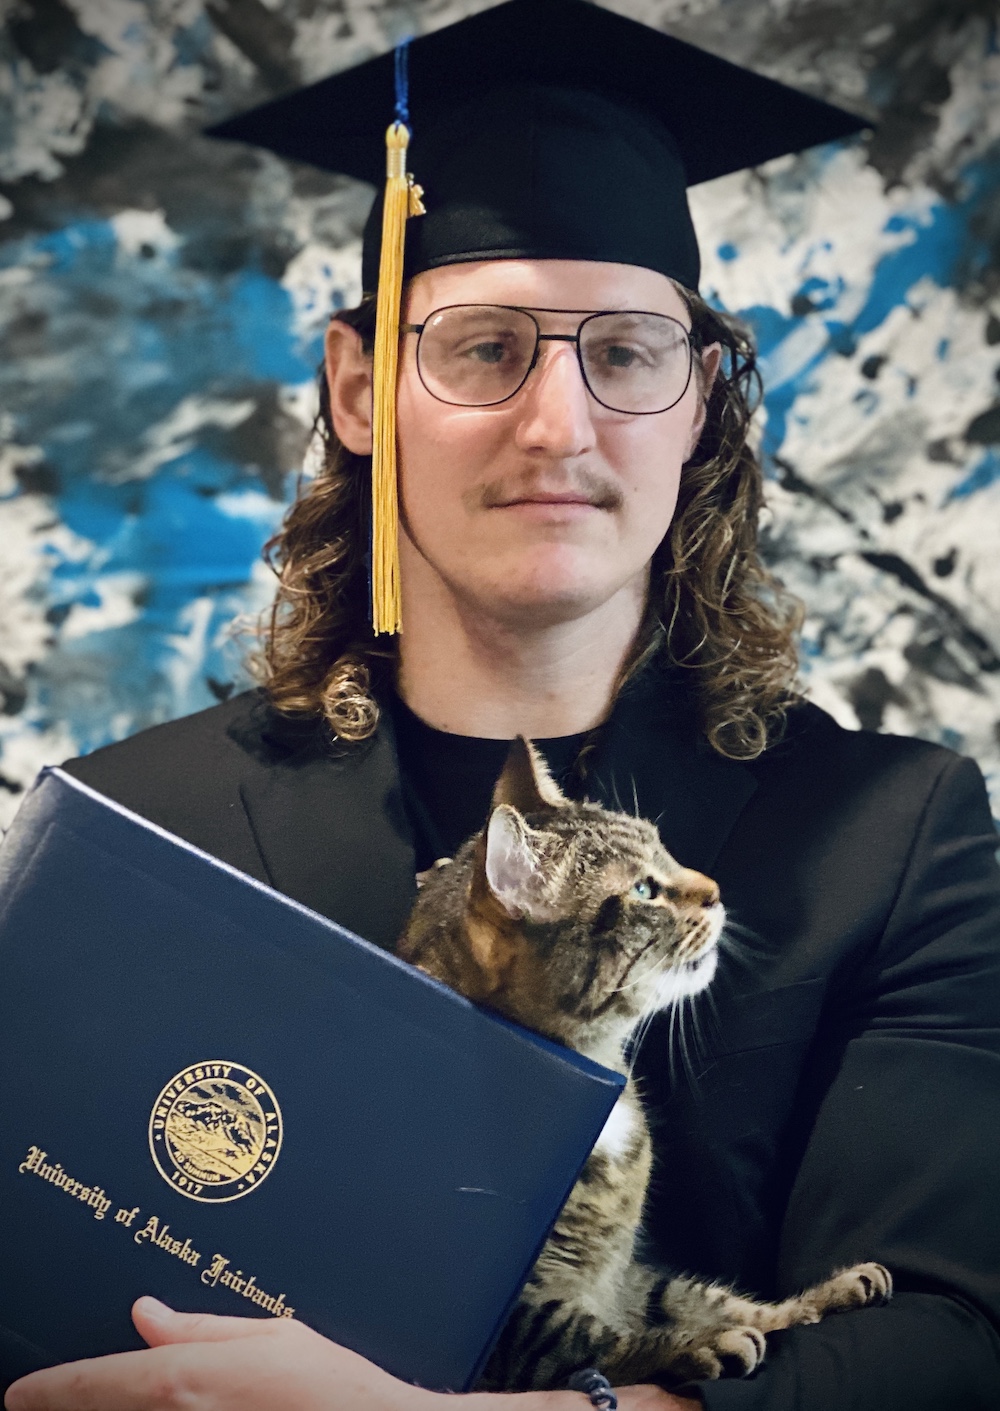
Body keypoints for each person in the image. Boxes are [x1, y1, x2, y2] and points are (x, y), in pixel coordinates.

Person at [6, 2, 1000, 1409]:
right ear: (359, 389)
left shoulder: (891, 844)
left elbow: (951, 1348)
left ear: (703, 399)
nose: (557, 424)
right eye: (483, 347)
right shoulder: (135, 839)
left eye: (627, 351)